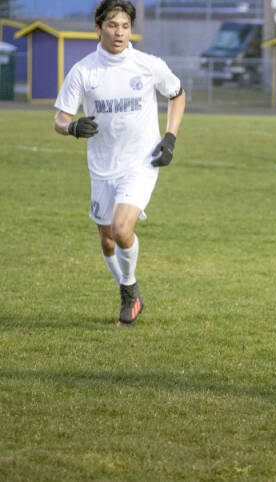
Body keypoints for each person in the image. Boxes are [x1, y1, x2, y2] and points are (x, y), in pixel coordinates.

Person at [53, 0, 186, 326]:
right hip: (102, 167)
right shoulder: (83, 71)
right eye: (112, 25)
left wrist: (170, 137)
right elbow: (59, 118)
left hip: (141, 163)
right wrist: (71, 127)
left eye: (125, 26)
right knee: (107, 239)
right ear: (98, 28)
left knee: (121, 228)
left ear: (131, 29)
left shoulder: (147, 65)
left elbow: (178, 93)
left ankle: (128, 291)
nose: (119, 32)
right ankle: (130, 290)